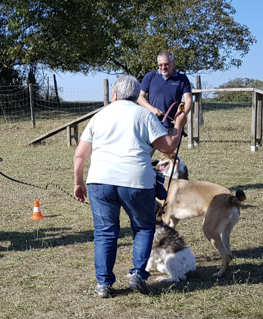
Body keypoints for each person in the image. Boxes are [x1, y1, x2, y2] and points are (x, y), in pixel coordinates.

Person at [73, 75, 186, 298]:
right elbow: (168, 147)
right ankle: (138, 275)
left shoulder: (99, 116)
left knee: (105, 233)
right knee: (143, 228)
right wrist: (178, 126)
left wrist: (78, 182)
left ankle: (103, 284)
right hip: (137, 181)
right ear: (136, 96)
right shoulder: (144, 115)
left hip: (100, 180)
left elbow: (80, 154)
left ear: (114, 95)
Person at [137, 50, 193, 132]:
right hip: (152, 124)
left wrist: (182, 114)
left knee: (172, 145)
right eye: (160, 65)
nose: (163, 67)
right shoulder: (150, 76)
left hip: (173, 126)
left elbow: (188, 100)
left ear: (173, 62)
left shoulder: (182, 79)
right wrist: (152, 109)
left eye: (166, 64)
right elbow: (139, 97)